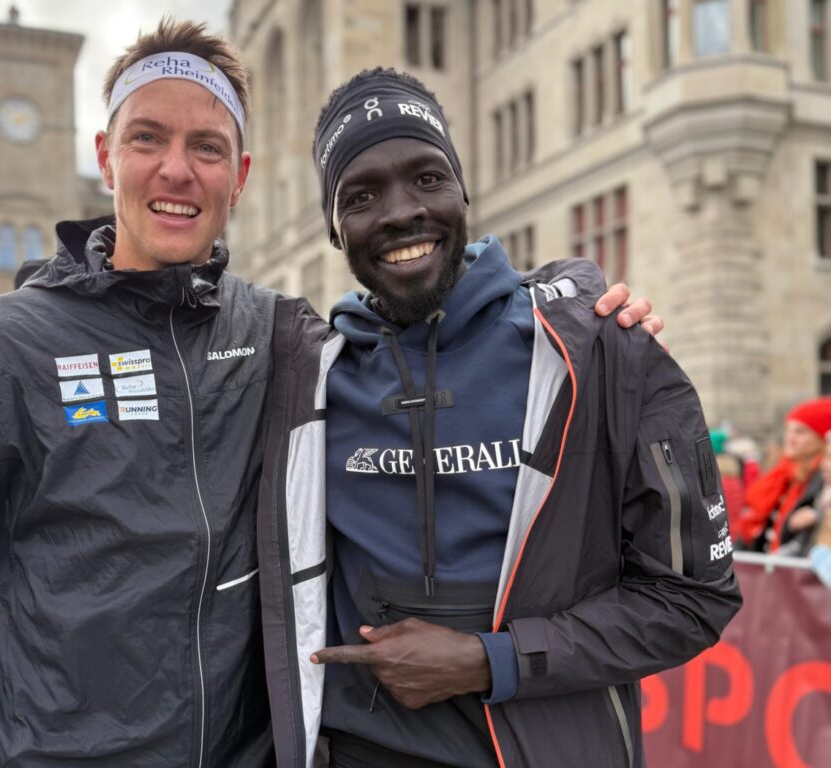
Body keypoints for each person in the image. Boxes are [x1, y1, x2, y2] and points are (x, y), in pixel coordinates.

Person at [0, 21, 661, 766]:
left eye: (206, 147)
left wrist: (567, 302)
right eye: (149, 138)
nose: (177, 170)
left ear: (239, 176)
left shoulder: (284, 335)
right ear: (107, 156)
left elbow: (433, 318)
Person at [255, 68, 741, 767]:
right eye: (361, 195)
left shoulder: (602, 349)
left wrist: (493, 662)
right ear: (333, 230)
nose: (399, 213)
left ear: (463, 192)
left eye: (426, 179)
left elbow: (694, 600)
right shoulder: (306, 376)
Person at [740, 397, 831, 553]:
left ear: (820, 438)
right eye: (788, 430)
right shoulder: (785, 474)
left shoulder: (822, 479)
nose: (790, 438)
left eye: (800, 432)